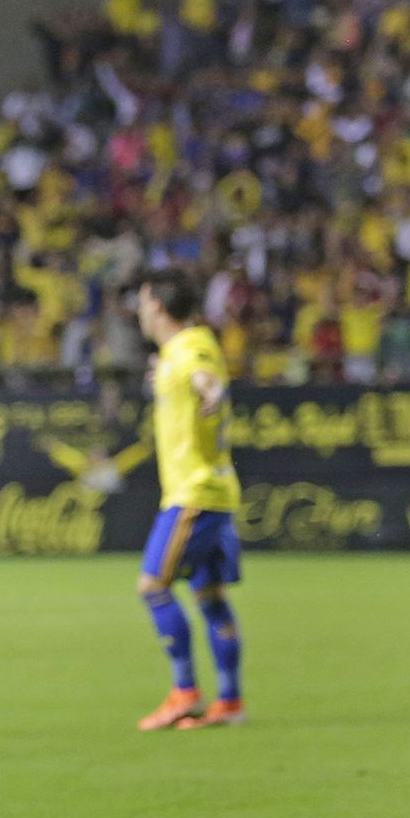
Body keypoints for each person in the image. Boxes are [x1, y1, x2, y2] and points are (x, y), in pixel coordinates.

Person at [133, 269, 245, 730]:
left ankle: (184, 692)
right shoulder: (181, 352)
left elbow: (205, 378)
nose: (139, 311)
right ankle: (230, 701)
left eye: (142, 301)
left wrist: (210, 391)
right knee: (210, 596)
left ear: (157, 304)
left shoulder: (190, 347)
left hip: (192, 493)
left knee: (153, 586)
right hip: (217, 490)